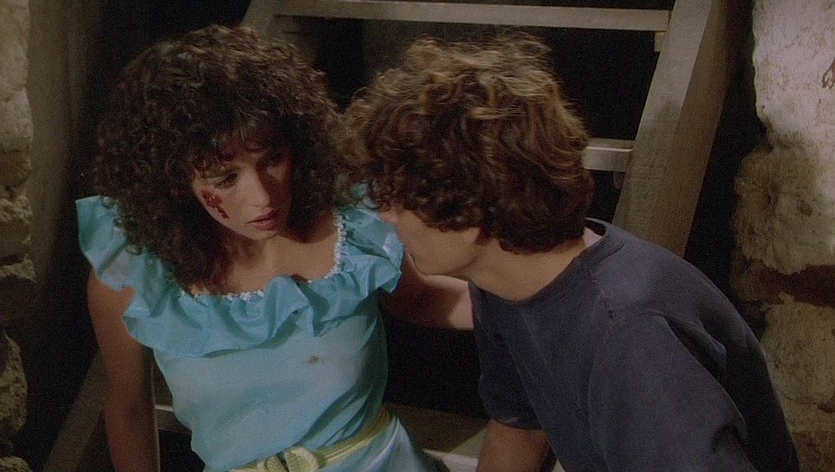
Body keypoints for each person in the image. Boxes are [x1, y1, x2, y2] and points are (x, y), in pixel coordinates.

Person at [336, 34, 800, 472]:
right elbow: (520, 426)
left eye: (398, 198)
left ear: (468, 218)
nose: (386, 215)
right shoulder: (505, 284)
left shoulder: (632, 337)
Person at [78, 24, 470, 472]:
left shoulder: (350, 225)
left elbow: (419, 298)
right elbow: (129, 408)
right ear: (175, 181)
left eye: (274, 160)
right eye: (226, 178)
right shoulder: (132, 279)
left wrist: (527, 292)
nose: (263, 197)